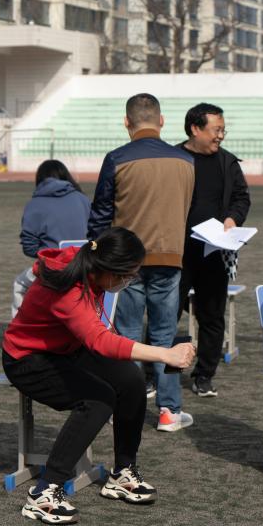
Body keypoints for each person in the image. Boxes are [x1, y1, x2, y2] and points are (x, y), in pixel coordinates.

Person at [2, 228, 197, 525]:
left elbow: (97, 336)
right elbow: (100, 341)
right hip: (26, 359)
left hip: (67, 348)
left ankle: (122, 473)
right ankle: (44, 493)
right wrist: (165, 354)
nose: (129, 281)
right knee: (98, 400)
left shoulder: (91, 267)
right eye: (128, 276)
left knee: (131, 380)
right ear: (109, 270)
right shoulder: (67, 288)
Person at [87, 93, 195, 432]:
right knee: (165, 335)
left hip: (125, 261)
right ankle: (169, 410)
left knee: (127, 335)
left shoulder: (117, 159)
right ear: (161, 121)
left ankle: (126, 407)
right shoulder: (185, 160)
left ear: (126, 122)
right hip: (170, 256)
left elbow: (101, 214)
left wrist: (98, 252)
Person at [176, 103, 251, 398]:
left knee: (212, 316)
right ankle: (155, 374)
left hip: (214, 252)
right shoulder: (174, 158)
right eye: (216, 130)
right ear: (195, 129)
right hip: (176, 253)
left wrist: (233, 218)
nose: (220, 136)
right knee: (166, 313)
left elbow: (241, 197)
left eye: (223, 130)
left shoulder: (228, 162)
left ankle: (204, 375)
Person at [13, 159, 91, 316]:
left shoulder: (35, 203)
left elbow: (29, 247)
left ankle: (21, 327)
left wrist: (50, 252)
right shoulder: (83, 199)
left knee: (20, 285)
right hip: (85, 267)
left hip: (54, 270)